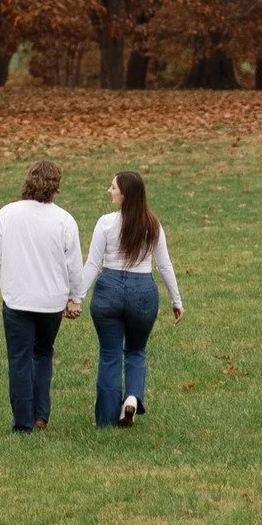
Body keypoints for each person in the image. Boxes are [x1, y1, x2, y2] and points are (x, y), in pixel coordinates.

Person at [0, 159, 84, 433]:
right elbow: (74, 263)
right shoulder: (64, 220)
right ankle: (41, 414)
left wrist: (2, 283)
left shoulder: (8, 214)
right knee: (43, 353)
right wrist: (75, 297)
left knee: (19, 358)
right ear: (56, 187)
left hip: (17, 298)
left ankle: (23, 422)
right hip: (51, 301)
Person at [78, 169, 183, 428]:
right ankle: (133, 397)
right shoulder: (153, 225)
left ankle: (105, 419)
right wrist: (176, 300)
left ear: (125, 194)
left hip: (108, 289)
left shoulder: (105, 223)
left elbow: (93, 263)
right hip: (143, 292)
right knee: (136, 350)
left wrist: (76, 296)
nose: (110, 191)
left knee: (109, 353)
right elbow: (165, 266)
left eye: (113, 187)